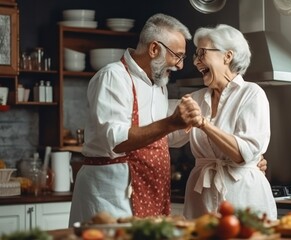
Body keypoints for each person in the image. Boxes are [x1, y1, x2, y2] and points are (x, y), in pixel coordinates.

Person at [69, 14, 268, 225]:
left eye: (198, 54)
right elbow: (116, 140)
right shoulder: (113, 77)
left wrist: (251, 158)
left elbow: (164, 137)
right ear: (154, 49)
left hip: (149, 191)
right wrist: (174, 123)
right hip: (111, 192)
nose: (183, 65)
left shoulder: (158, 85)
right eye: (179, 56)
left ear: (227, 57)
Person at [168, 24, 277, 220]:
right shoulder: (196, 98)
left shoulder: (252, 94)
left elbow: (242, 154)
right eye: (195, 55)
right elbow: (170, 139)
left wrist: (203, 124)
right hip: (201, 198)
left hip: (244, 197)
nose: (196, 61)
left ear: (227, 56)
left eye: (201, 53)